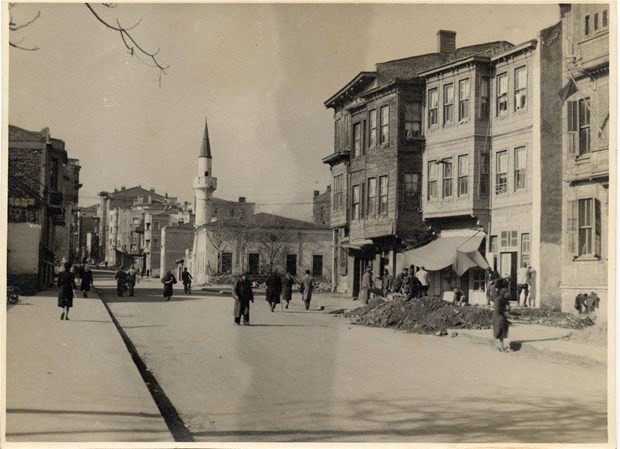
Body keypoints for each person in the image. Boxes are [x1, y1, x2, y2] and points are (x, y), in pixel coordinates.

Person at [493, 283, 512, 352]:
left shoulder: (505, 300)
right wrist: (505, 315)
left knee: (502, 332)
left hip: (502, 317)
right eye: (506, 293)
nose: (508, 294)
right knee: (500, 332)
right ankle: (500, 346)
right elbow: (498, 310)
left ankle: (500, 346)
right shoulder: (498, 300)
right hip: (498, 317)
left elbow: (507, 309)